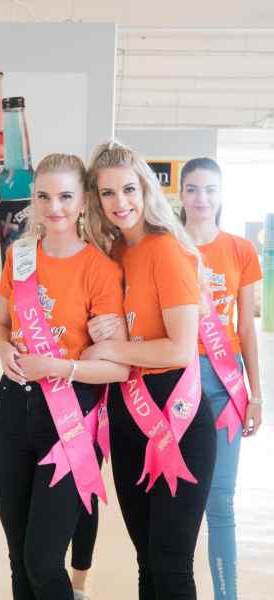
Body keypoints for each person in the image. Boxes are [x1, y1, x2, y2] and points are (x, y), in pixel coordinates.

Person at [0, 153, 128, 600]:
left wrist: (58, 367)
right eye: (44, 197)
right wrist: (4, 349)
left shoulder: (101, 270)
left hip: (69, 421)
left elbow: (118, 367)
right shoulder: (20, 257)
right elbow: (1, 327)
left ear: (84, 200)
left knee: (43, 562)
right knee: (18, 559)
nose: (55, 208)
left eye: (66, 196)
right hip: (12, 411)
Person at [83, 140, 217, 600]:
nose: (120, 202)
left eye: (128, 189)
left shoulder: (166, 251)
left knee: (171, 564)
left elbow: (179, 349)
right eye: (107, 193)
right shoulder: (116, 252)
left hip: (177, 420)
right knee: (146, 562)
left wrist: (110, 348)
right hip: (128, 421)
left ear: (145, 189)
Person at [180, 157, 263, 600]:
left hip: (225, 381)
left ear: (221, 194)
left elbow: (246, 326)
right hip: (176, 377)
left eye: (210, 189)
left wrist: (256, 395)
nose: (201, 198)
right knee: (177, 500)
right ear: (180, 194)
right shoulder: (166, 247)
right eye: (192, 189)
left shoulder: (240, 250)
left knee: (221, 501)